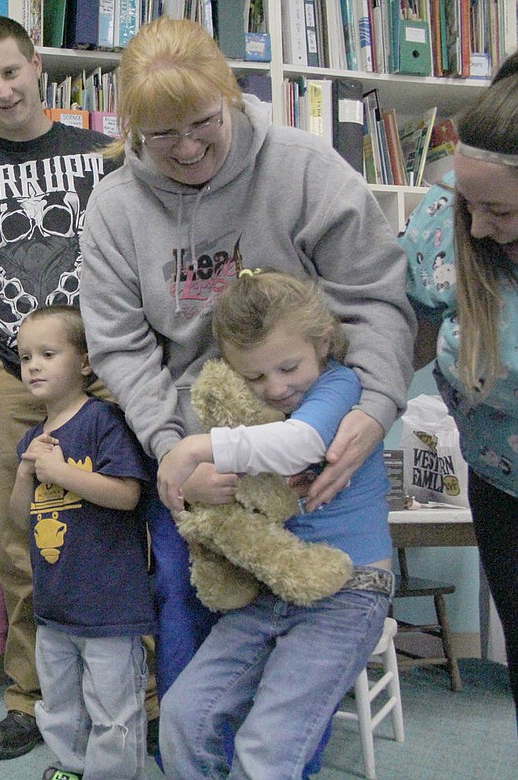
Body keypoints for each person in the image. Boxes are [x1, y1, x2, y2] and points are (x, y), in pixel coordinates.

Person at [78, 17, 414, 712]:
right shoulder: (113, 209)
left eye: (201, 122)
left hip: (311, 434)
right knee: (190, 599)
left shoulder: (304, 167)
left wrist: (374, 408)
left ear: (230, 97)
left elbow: (375, 298)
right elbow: (122, 349)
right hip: (191, 447)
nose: (187, 148)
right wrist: (177, 452)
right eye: (161, 135)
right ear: (133, 129)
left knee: (308, 619)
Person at [0, 15, 123, 760]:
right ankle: (31, 699)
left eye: (12, 72)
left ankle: (139, 694)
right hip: (6, 373)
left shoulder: (100, 156)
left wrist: (118, 356)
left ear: (37, 66)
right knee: (23, 541)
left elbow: (129, 255)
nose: (2, 90)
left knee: (118, 531)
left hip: (102, 375)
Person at [156, 270, 395, 777]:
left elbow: (301, 444)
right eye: (255, 377)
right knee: (182, 715)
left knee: (269, 744)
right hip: (269, 588)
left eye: (288, 368)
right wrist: (204, 480)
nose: (276, 388)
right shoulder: (253, 411)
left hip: (349, 591)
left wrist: (198, 446)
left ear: (323, 341)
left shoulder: (339, 383)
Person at [402, 50, 518, 726]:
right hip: (501, 487)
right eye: (469, 204)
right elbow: (404, 341)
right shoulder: (445, 224)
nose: (477, 227)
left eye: (499, 211)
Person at [10, 305, 156, 780]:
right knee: (59, 705)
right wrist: (26, 471)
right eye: (26, 356)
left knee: (114, 709)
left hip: (109, 606)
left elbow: (128, 495)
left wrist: (62, 473)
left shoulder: (103, 421)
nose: (33, 365)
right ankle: (72, 769)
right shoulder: (35, 437)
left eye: (48, 353)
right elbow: (19, 519)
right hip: (56, 605)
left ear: (85, 362)